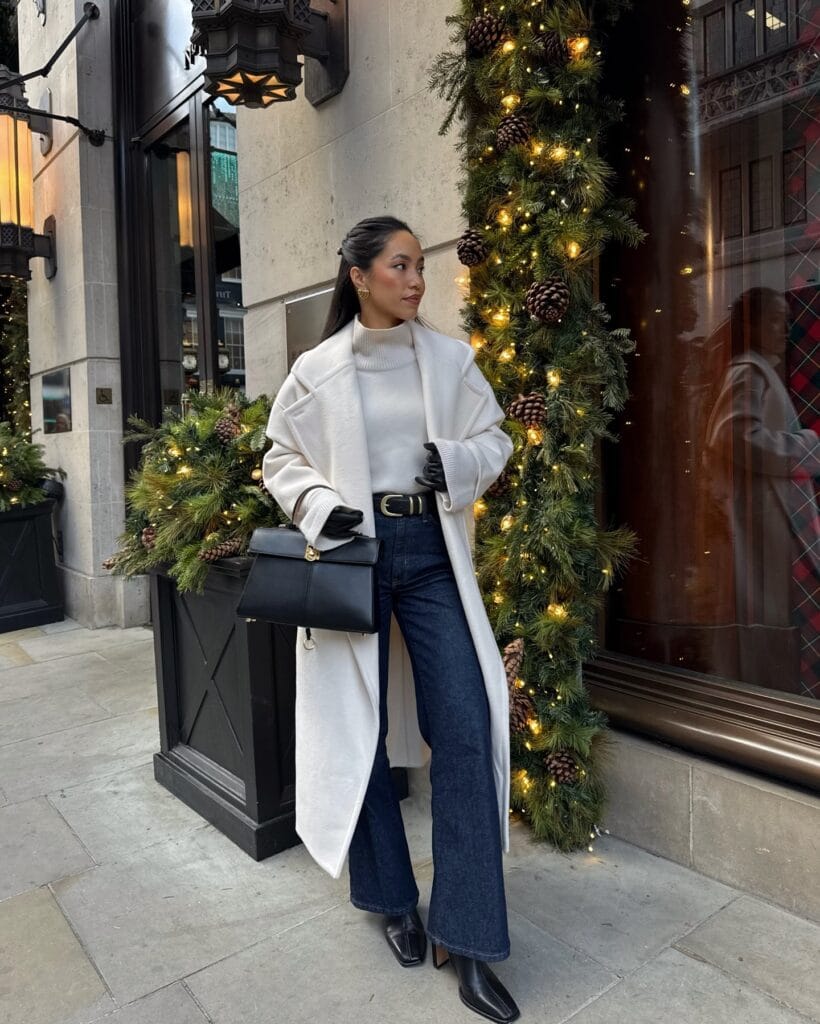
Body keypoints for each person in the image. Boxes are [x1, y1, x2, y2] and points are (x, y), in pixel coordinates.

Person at [262, 215, 520, 1022]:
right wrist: (319, 507)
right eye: (400, 266)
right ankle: (390, 898)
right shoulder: (317, 370)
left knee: (468, 727)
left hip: (432, 548)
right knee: (358, 729)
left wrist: (461, 465)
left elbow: (496, 438)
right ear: (360, 276)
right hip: (355, 552)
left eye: (419, 266)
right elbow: (280, 456)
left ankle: (469, 939)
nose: (416, 281)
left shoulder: (448, 360)